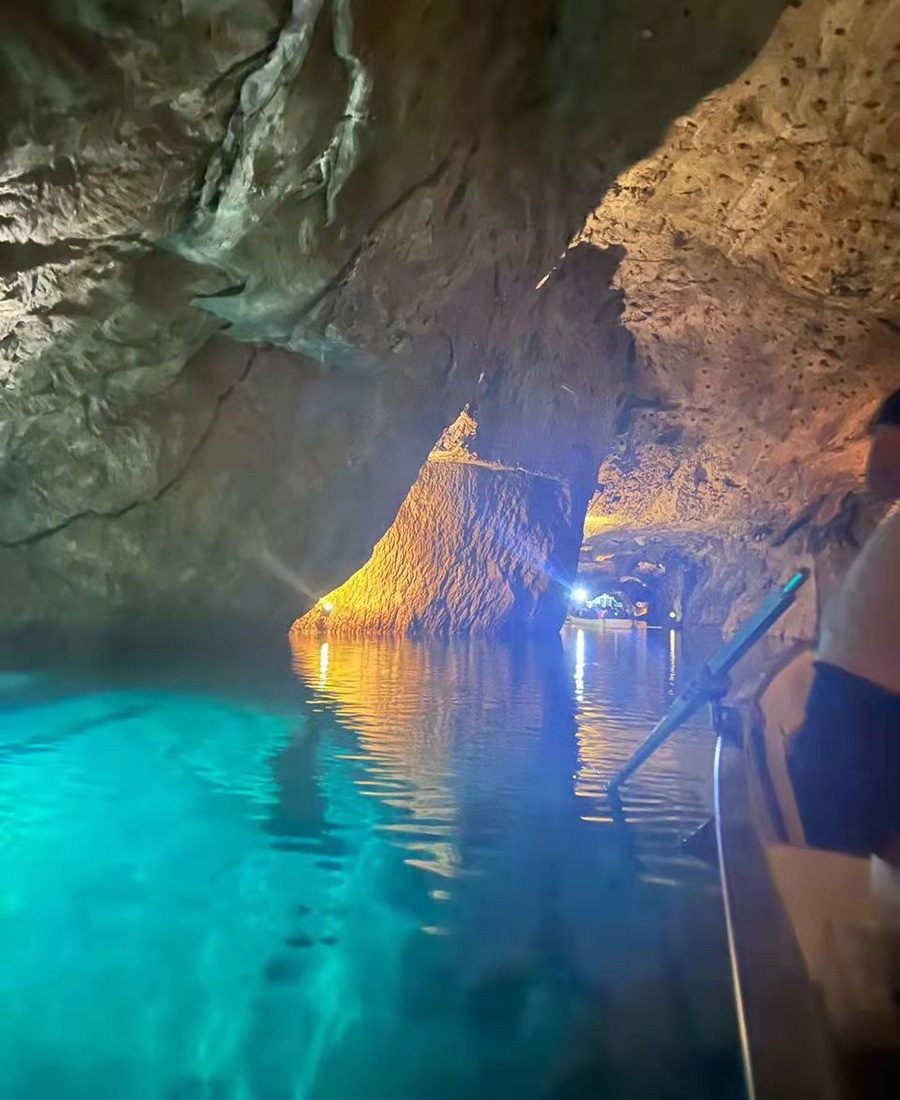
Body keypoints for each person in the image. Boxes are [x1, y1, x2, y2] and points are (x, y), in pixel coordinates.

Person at [788, 388, 900, 857]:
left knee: (840, 858)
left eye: (883, 437)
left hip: (869, 721)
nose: (873, 455)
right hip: (856, 714)